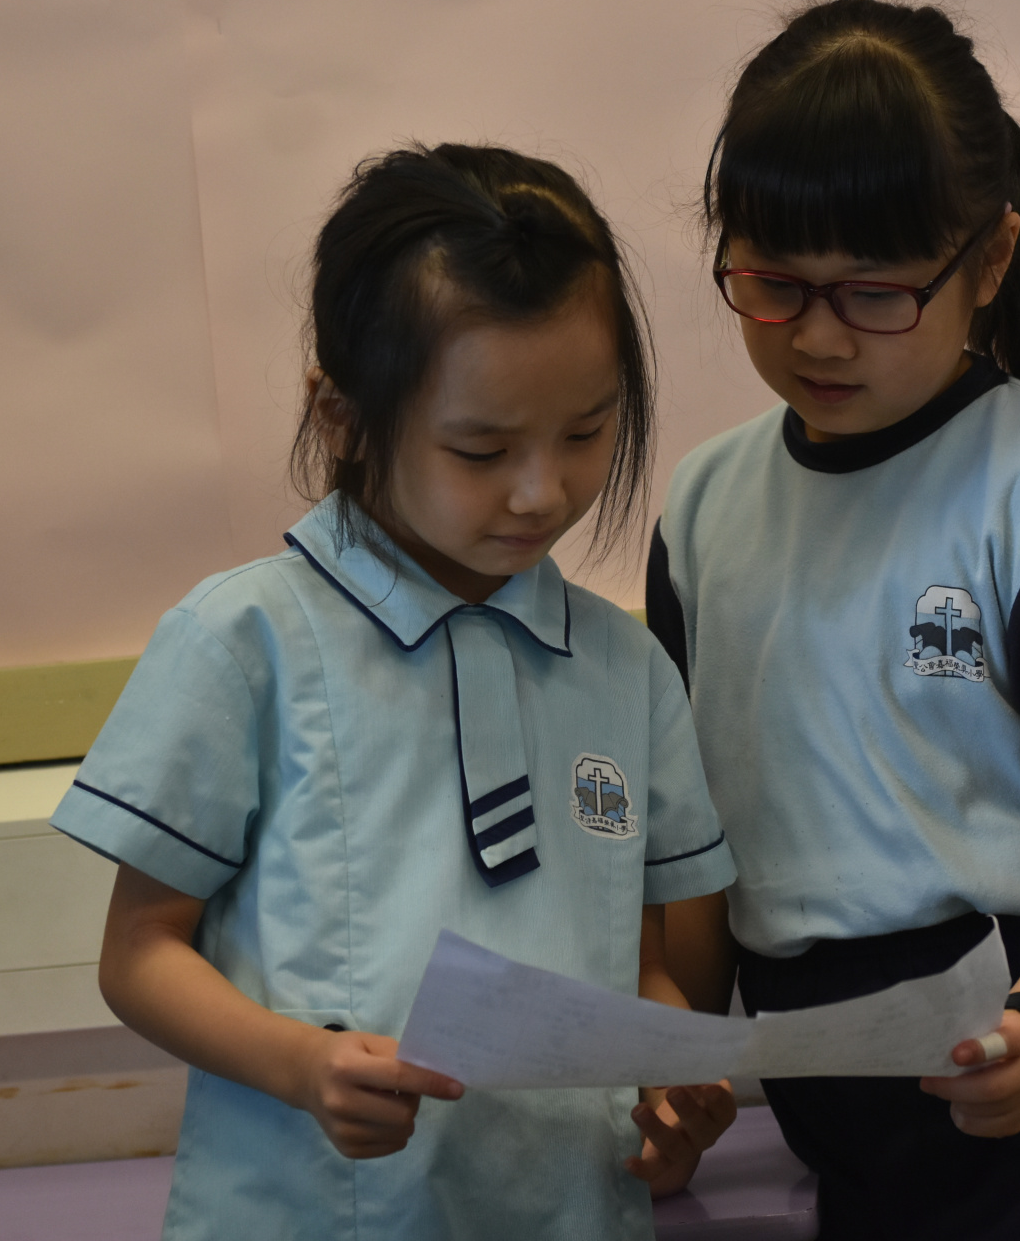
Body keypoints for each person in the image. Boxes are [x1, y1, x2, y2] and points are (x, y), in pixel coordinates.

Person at [51, 142, 738, 1241]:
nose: (541, 490)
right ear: (341, 415)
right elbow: (138, 955)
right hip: (306, 1214)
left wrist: (671, 1073)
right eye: (481, 448)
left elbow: (639, 960)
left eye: (585, 432)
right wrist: (304, 1064)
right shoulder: (244, 642)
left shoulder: (627, 669)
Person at [649, 0, 1020, 1240]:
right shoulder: (702, 509)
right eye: (772, 281)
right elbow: (694, 853)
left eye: (874, 291)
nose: (818, 335)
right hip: (832, 1094)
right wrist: (672, 1058)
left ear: (991, 257)